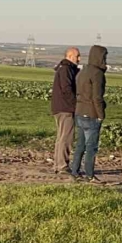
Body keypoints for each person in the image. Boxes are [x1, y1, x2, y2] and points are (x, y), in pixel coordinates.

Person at [70, 45, 108, 184]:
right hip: (92, 113)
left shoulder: (83, 71)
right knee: (91, 147)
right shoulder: (97, 74)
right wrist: (101, 115)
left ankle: (74, 171)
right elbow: (97, 97)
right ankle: (90, 175)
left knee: (80, 145)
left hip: (80, 112)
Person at [51, 47, 80, 174]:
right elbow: (67, 89)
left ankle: (58, 164)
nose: (79, 59)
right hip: (65, 108)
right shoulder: (66, 69)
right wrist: (75, 104)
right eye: (77, 56)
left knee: (61, 137)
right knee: (66, 137)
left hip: (60, 107)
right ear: (70, 56)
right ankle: (62, 165)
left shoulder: (63, 68)